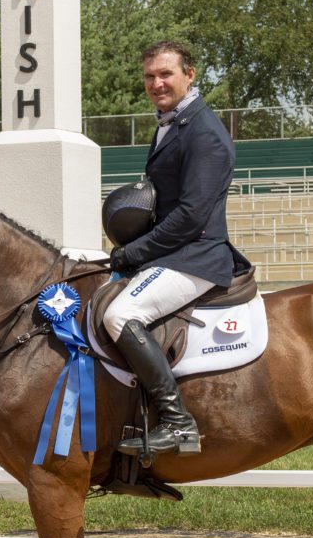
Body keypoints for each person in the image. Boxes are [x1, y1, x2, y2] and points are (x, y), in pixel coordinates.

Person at [104, 40, 249, 457]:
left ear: (190, 74)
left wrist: (135, 252)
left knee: (121, 313)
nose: (157, 83)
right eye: (150, 76)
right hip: (173, 252)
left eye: (166, 74)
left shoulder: (205, 132)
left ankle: (177, 422)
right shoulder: (172, 122)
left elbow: (191, 215)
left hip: (196, 256)